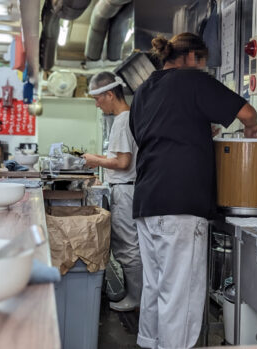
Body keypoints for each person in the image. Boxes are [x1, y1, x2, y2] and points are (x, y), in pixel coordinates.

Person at [129, 33, 257, 349]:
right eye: (202, 61)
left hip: (147, 199)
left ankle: (149, 344)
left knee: (155, 286)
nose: (203, 67)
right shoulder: (191, 80)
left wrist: (199, 128)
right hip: (180, 203)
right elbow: (246, 112)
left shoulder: (145, 89)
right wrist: (251, 128)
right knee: (181, 294)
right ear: (191, 58)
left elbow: (150, 136)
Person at [82, 71, 143, 312]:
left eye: (98, 99)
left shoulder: (122, 120)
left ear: (109, 94)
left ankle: (137, 299)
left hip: (126, 191)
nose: (97, 105)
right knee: (127, 246)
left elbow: (123, 162)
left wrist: (95, 161)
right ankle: (136, 295)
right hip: (126, 190)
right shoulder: (124, 119)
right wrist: (95, 157)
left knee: (128, 248)